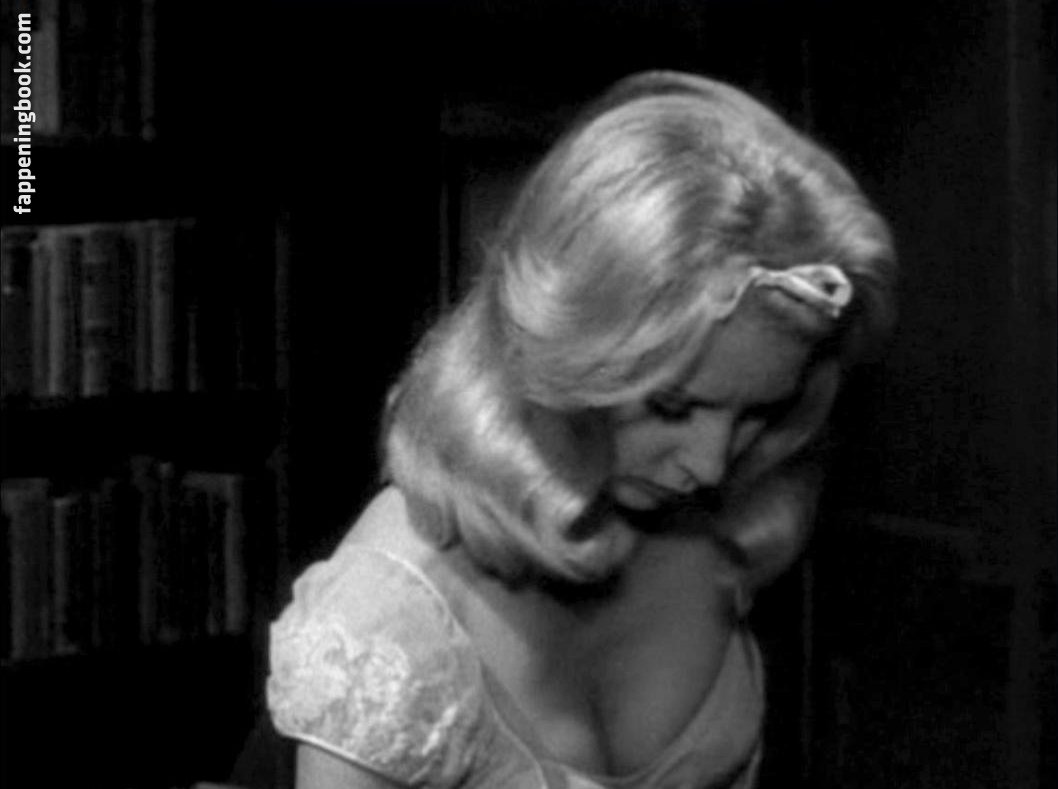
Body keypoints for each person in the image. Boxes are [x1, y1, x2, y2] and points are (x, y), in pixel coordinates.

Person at [266, 70, 896, 789]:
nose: (713, 465)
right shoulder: (391, 611)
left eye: (757, 413)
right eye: (672, 406)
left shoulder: (716, 538)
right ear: (566, 354)